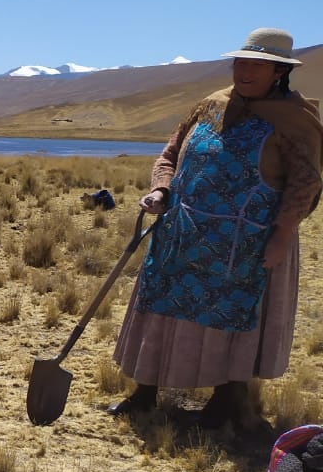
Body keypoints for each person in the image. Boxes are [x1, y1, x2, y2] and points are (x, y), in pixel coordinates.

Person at [109, 28, 323, 429]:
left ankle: (227, 403)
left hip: (247, 244)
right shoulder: (210, 105)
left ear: (279, 71)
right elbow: (170, 154)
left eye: (257, 65)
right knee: (160, 309)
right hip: (181, 234)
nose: (245, 71)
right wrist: (160, 190)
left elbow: (306, 183)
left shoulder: (295, 119)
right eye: (241, 62)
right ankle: (144, 393)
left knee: (234, 319)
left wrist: (282, 234)